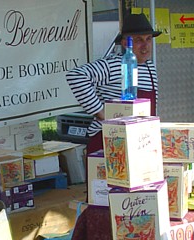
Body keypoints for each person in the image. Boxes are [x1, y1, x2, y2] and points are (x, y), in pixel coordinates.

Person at [66, 13, 161, 154]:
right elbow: (75, 75)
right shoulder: (115, 64)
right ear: (125, 43)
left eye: (148, 39)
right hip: (108, 139)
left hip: (138, 140)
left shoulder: (150, 67)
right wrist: (101, 113)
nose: (145, 45)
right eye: (138, 40)